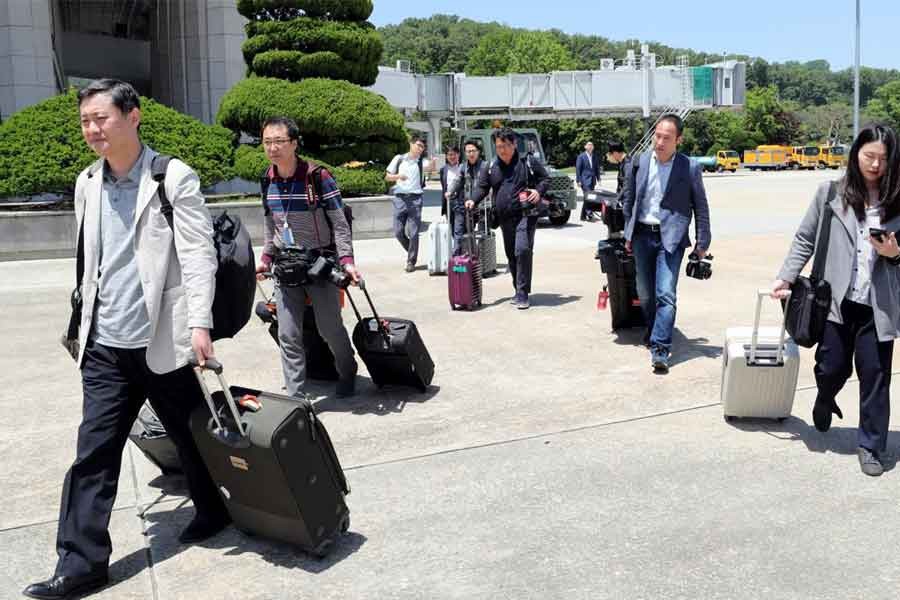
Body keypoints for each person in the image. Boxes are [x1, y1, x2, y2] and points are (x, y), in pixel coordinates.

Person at [24, 79, 229, 600]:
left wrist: (199, 324)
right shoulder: (87, 182)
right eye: (86, 121)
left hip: (162, 338)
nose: (93, 130)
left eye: (102, 118)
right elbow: (91, 263)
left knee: (191, 433)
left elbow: (199, 256)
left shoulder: (171, 177)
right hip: (106, 345)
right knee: (92, 452)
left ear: (133, 116)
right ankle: (81, 563)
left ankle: (214, 509)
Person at [772, 123, 900, 477]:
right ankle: (825, 396)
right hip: (834, 302)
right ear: (856, 154)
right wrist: (785, 275)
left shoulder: (898, 200)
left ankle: (871, 446)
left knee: (875, 375)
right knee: (832, 367)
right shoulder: (830, 193)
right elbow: (805, 238)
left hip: (879, 306)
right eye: (869, 156)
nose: (875, 165)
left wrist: (894, 252)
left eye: (883, 159)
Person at [255, 116, 360, 399]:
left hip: (318, 264)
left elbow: (339, 222)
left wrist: (347, 261)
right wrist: (266, 258)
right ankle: (296, 396)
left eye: (279, 141)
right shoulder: (267, 179)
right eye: (267, 142)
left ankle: (347, 370)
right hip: (286, 265)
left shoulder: (318, 177)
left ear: (294, 143)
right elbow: (271, 224)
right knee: (288, 333)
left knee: (329, 328)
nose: (273, 148)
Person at [622, 113, 711, 373]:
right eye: (657, 136)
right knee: (646, 294)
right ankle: (653, 330)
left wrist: (702, 241)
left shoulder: (689, 167)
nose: (659, 142)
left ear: (678, 140)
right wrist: (628, 233)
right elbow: (629, 199)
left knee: (665, 294)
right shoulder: (638, 162)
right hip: (641, 234)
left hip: (670, 238)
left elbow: (700, 206)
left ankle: (660, 349)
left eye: (666, 138)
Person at [469, 127, 550, 309]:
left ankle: (522, 293)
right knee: (511, 255)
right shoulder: (490, 167)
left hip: (526, 214)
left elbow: (545, 179)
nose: (502, 150)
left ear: (514, 144)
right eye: (498, 146)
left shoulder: (527, 161)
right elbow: (482, 188)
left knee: (522, 250)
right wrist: (472, 200)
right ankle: (519, 288)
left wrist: (538, 191)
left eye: (506, 145)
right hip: (504, 218)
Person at [385, 135, 428, 272]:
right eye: (418, 145)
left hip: (416, 199)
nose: (420, 149)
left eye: (422, 147)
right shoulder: (399, 159)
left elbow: (432, 168)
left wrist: (432, 165)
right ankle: (411, 249)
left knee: (414, 232)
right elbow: (387, 176)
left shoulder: (421, 162)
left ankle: (411, 261)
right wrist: (398, 176)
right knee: (398, 231)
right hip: (400, 198)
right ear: (411, 144)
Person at [449, 140, 488, 253]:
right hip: (467, 206)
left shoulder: (485, 166)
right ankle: (466, 258)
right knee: (465, 234)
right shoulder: (463, 167)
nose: (470, 154)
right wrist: (450, 191)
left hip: (483, 205)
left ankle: (483, 262)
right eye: (468, 151)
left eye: (473, 151)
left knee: (482, 234)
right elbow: (457, 181)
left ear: (478, 152)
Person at [439, 146, 462, 232]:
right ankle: (457, 244)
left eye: (454, 154)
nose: (452, 157)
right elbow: (444, 185)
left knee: (460, 228)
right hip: (448, 201)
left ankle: (459, 245)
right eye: (449, 155)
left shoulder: (463, 167)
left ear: (458, 155)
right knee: (452, 227)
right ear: (446, 156)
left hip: (460, 201)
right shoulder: (443, 170)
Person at [576, 141, 601, 221]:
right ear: (585, 147)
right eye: (589, 145)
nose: (590, 146)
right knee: (589, 197)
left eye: (592, 145)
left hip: (592, 180)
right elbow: (578, 169)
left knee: (587, 198)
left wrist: (599, 178)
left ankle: (583, 216)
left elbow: (597, 168)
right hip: (584, 180)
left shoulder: (595, 156)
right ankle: (590, 215)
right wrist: (578, 180)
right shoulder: (581, 156)